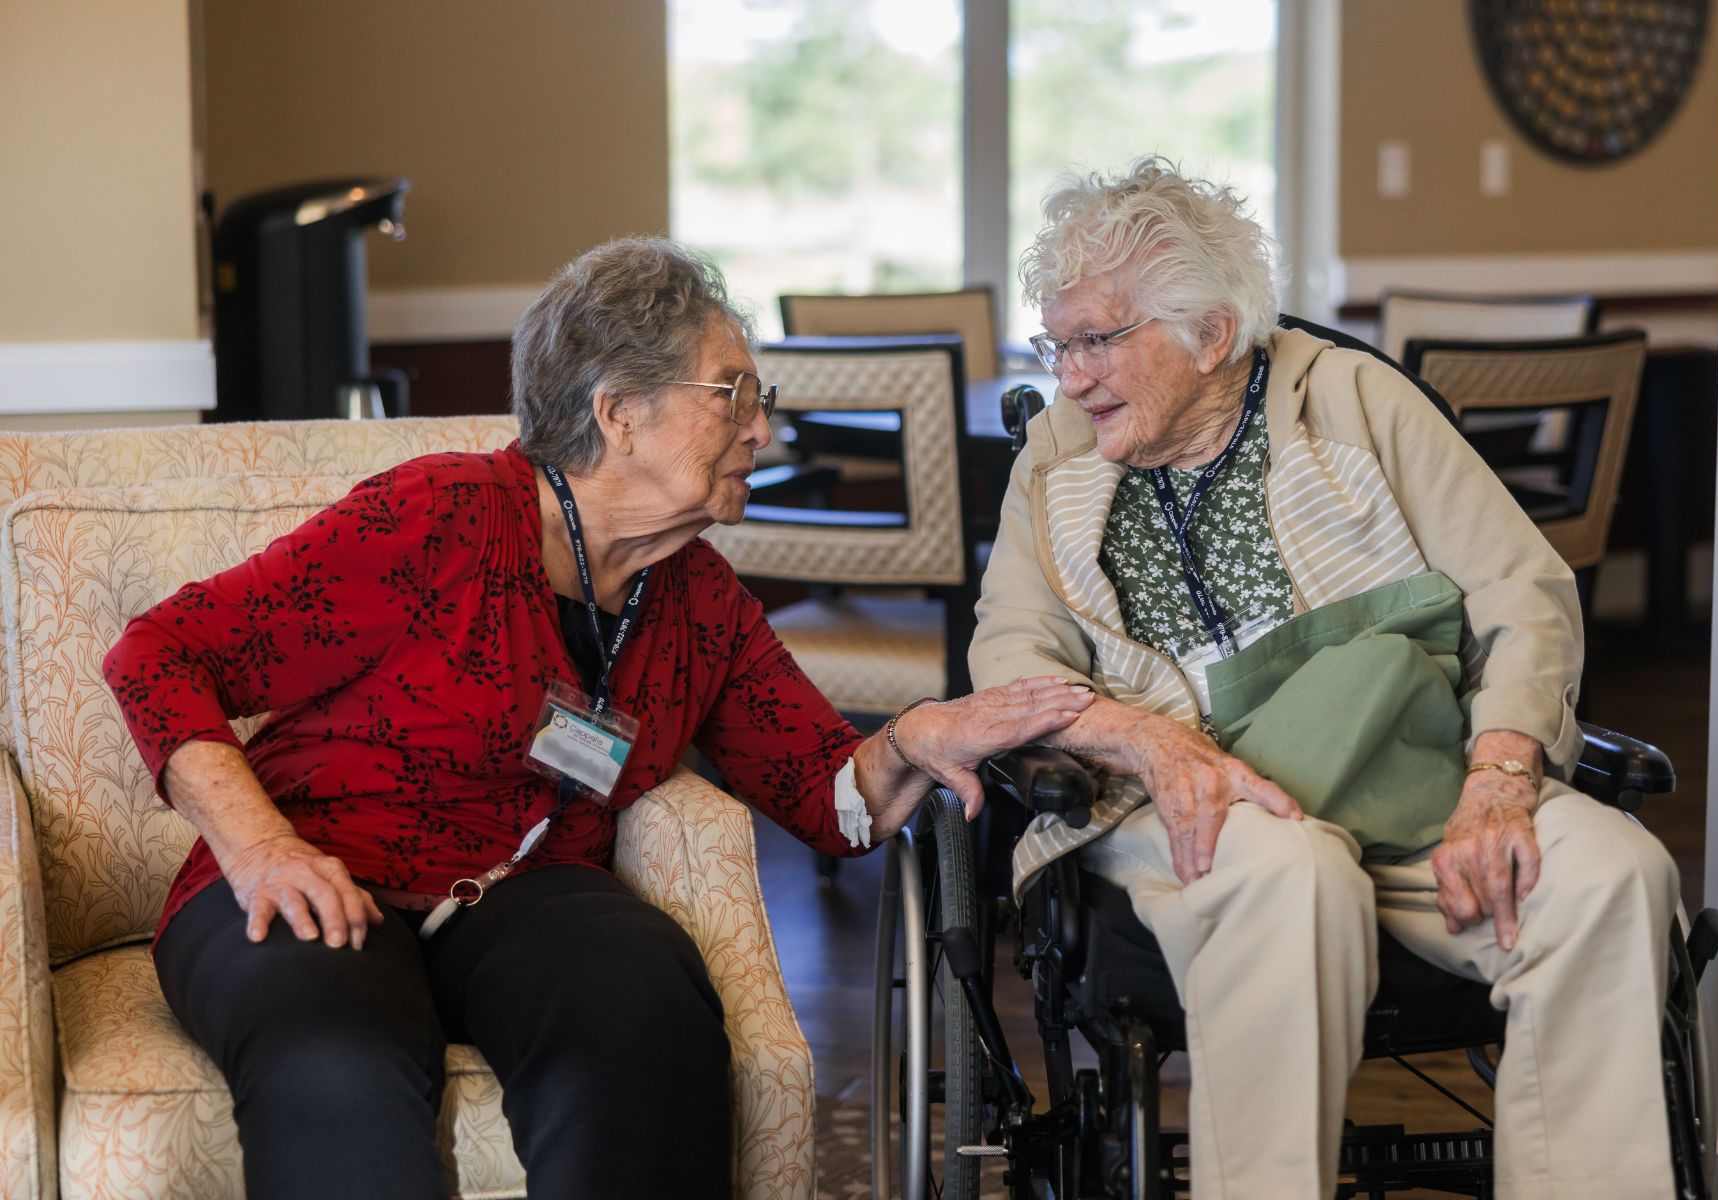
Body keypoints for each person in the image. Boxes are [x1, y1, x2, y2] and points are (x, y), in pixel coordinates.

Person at [103, 237, 1094, 1200]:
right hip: (317, 870)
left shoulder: (700, 599)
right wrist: (261, 848)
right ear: (619, 412)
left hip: (524, 895)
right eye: (732, 395)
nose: (763, 429)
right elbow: (158, 654)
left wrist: (914, 737)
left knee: (644, 1010)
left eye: (762, 399)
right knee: (337, 1063)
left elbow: (824, 794)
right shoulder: (437, 518)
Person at [970, 158, 1680, 1200]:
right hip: (1179, 798)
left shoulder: (1351, 399)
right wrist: (1148, 741)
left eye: (1098, 340)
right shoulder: (1057, 455)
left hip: (1407, 768)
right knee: (1288, 874)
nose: (1071, 375)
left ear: (1212, 333)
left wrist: (1499, 777)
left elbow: (1520, 591)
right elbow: (1011, 661)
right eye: (1059, 342)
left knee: (1614, 875)